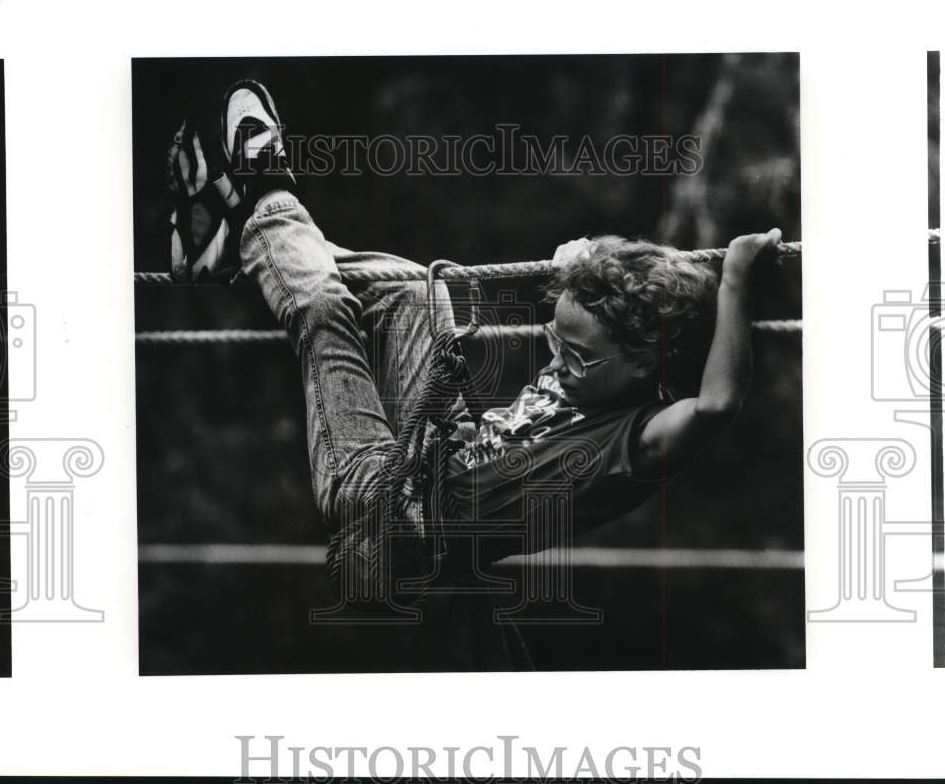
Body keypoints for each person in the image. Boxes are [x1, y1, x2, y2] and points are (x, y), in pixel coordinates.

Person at [166, 79, 782, 668]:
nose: (558, 363)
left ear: (647, 363)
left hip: (395, 510)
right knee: (413, 289)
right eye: (553, 340)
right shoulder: (593, 354)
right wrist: (581, 264)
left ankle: (264, 196)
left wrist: (733, 281)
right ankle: (233, 236)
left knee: (324, 314)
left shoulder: (637, 440)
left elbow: (717, 406)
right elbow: (597, 308)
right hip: (439, 445)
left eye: (576, 357)